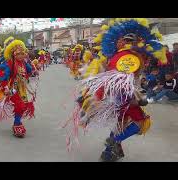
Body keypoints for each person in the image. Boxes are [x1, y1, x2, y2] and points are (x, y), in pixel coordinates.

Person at [63, 18, 166, 162]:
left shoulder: (115, 56)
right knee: (140, 123)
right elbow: (121, 79)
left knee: (120, 123)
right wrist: (135, 96)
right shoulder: (132, 56)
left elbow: (107, 75)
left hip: (111, 96)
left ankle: (109, 152)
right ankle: (114, 142)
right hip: (124, 97)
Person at [0, 37, 36, 138]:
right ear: (13, 54)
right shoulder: (9, 63)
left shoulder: (24, 63)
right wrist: (5, 88)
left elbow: (29, 72)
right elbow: (3, 76)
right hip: (12, 88)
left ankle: (17, 122)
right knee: (19, 105)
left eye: (23, 53)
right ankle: (17, 124)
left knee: (24, 105)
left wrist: (33, 69)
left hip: (22, 88)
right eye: (18, 54)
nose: (21, 55)